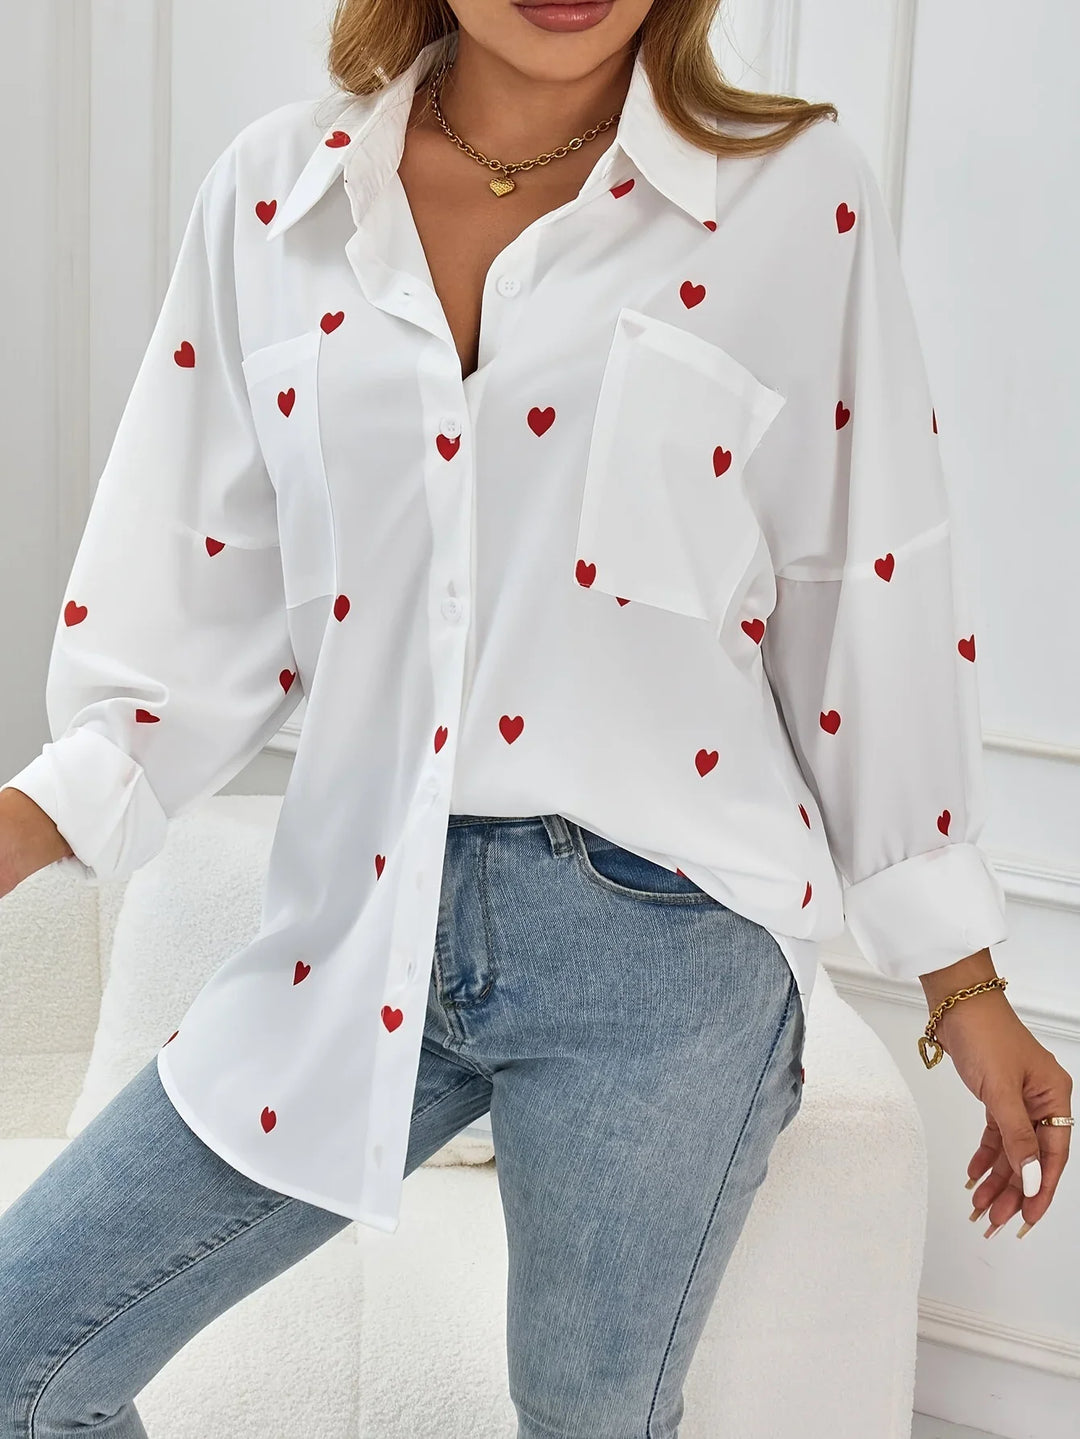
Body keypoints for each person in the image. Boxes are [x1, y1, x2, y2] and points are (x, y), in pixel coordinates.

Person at [0, 1, 1072, 1435]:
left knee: (588, 1422)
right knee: (27, 1353)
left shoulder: (789, 194)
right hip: (356, 915)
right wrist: (39, 815)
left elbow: (863, 583)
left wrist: (963, 977)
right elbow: (195, 584)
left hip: (665, 937)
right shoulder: (275, 196)